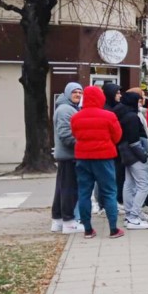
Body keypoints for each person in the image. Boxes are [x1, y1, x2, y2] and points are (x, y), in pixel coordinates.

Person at [70, 85, 124, 239]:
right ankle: (113, 229)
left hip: (83, 158)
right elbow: (117, 136)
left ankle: (87, 229)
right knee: (109, 192)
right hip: (104, 157)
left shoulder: (76, 117)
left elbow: (75, 134)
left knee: (84, 193)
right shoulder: (109, 116)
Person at [116, 92, 148, 229]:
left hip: (126, 153)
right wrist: (143, 155)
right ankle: (133, 216)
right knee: (144, 184)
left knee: (129, 184)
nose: (140, 103)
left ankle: (129, 215)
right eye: (138, 101)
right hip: (135, 154)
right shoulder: (132, 117)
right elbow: (134, 140)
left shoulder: (123, 114)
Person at [51, 82, 84, 234]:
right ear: (67, 93)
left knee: (62, 189)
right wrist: (84, 143)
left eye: (80, 92)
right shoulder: (66, 110)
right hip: (69, 156)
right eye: (74, 92)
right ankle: (69, 222)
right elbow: (65, 135)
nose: (78, 94)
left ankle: (58, 220)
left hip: (68, 156)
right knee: (69, 190)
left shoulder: (69, 108)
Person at [101, 83, 124, 205]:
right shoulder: (107, 110)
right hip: (109, 149)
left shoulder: (116, 107)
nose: (120, 95)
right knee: (109, 178)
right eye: (117, 93)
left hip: (115, 149)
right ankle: (106, 203)